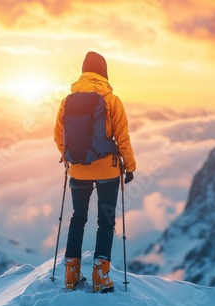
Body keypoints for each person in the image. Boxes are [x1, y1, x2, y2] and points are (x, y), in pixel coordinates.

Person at [54, 51, 136, 293]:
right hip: (107, 171)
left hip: (78, 170)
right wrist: (130, 166)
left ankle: (70, 275)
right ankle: (101, 276)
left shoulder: (68, 100)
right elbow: (122, 137)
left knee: (77, 219)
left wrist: (69, 158)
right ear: (104, 72)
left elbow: (59, 136)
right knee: (106, 221)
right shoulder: (112, 101)